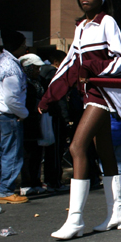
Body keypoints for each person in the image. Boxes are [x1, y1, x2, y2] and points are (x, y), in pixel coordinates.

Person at [38, 0, 121, 239]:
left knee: (77, 147)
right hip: (88, 94)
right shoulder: (80, 27)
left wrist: (94, 74)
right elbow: (69, 65)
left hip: (102, 93)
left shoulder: (107, 22)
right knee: (106, 152)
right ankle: (117, 213)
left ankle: (75, 220)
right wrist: (48, 97)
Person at [0, 30, 30, 204]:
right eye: (24, 44)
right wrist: (23, 113)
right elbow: (11, 97)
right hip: (9, 115)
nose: (26, 47)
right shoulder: (11, 66)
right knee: (12, 154)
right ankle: (6, 191)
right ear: (17, 46)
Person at [39, 50, 69, 191]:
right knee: (56, 151)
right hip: (55, 116)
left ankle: (49, 179)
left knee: (50, 151)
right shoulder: (54, 75)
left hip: (47, 115)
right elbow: (59, 97)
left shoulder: (42, 72)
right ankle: (54, 181)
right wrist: (66, 117)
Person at [18, 53, 46, 194]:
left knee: (37, 153)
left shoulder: (39, 81)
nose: (38, 71)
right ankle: (26, 183)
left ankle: (36, 181)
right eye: (35, 68)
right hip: (27, 120)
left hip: (38, 121)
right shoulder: (23, 81)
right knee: (27, 154)